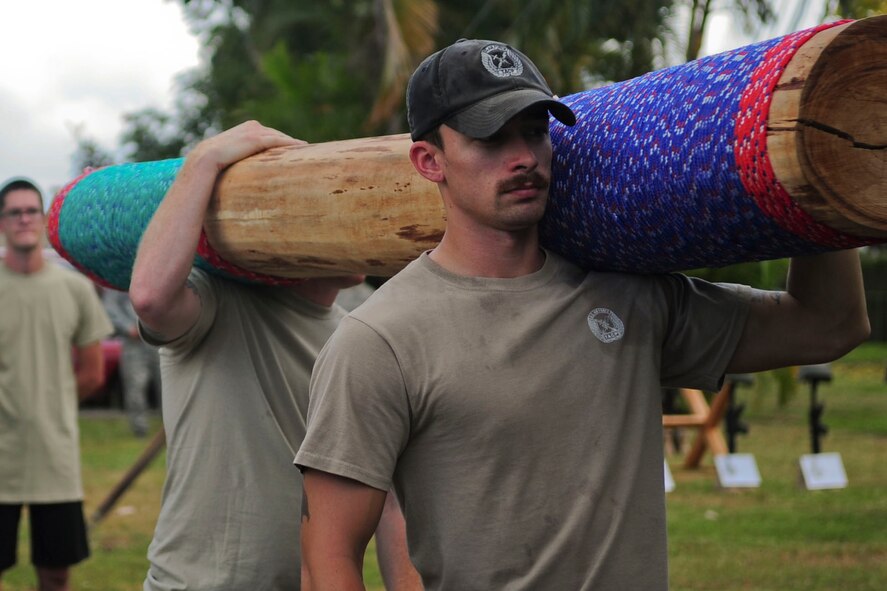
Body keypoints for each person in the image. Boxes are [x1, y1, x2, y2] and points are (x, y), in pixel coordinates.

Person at [295, 39, 871, 589]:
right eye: (491, 138)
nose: (523, 157)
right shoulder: (380, 339)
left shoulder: (628, 296)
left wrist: (809, 176)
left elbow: (829, 325)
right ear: (429, 160)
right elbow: (329, 557)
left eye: (534, 131)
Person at [128, 122, 421, 590]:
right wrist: (203, 160)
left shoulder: (361, 334)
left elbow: (390, 502)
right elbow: (149, 299)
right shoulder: (215, 307)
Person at [0, 178, 113, 591]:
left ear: (43, 220)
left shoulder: (76, 289)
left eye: (32, 210)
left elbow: (92, 372)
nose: (24, 218)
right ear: (2, 222)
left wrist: (53, 404)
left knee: (56, 571)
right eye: (14, 212)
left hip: (55, 453)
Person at [102, 288, 161, 437]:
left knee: (167, 385)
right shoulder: (120, 278)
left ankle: (168, 428)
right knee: (136, 385)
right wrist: (128, 328)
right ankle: (139, 429)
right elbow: (110, 307)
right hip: (134, 343)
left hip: (160, 339)